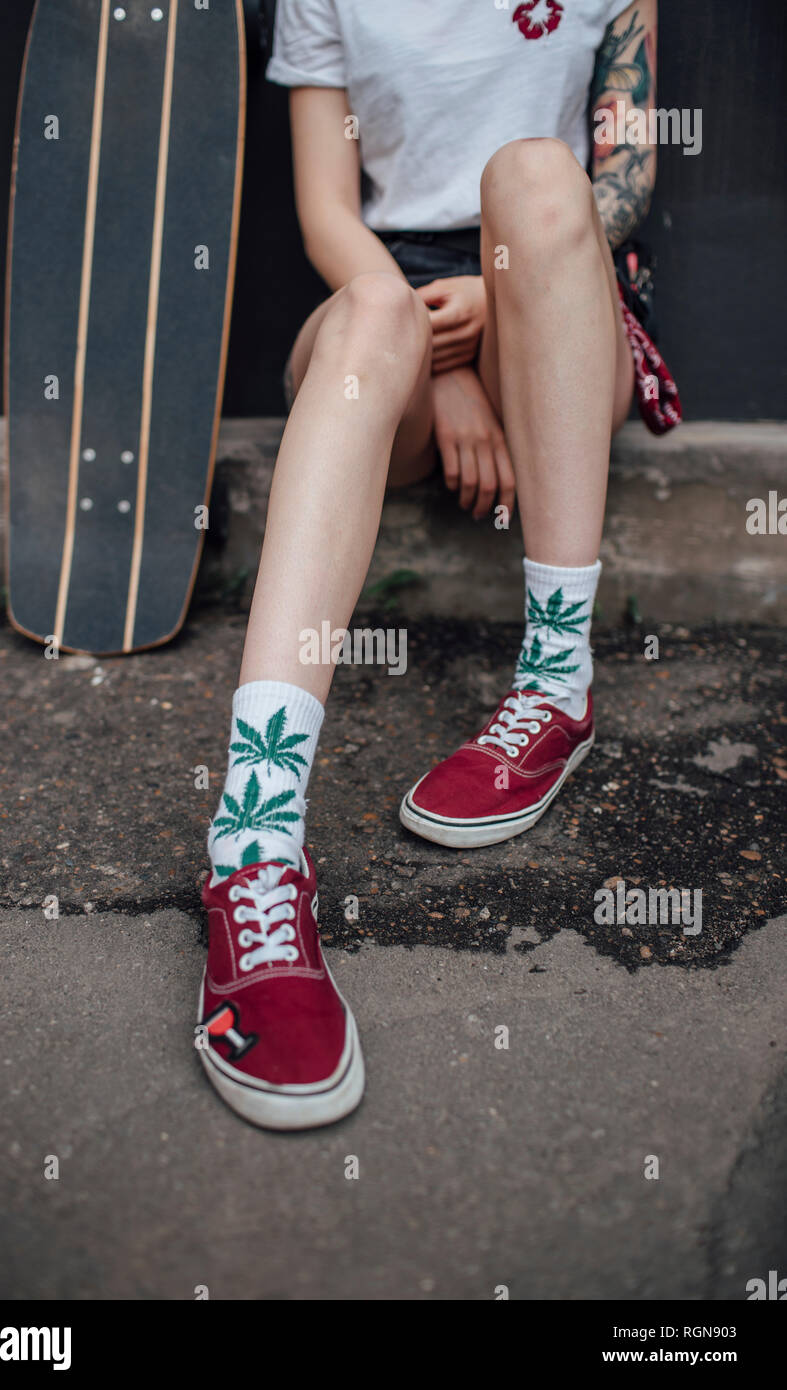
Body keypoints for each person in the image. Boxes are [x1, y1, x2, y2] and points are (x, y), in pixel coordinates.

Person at [195, 0, 679, 1130]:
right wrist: (442, 360)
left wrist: (496, 309)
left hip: (557, 286)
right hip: (393, 299)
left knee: (537, 175)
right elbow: (327, 212)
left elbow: (628, 179)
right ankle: (254, 850)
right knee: (369, 314)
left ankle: (556, 686)